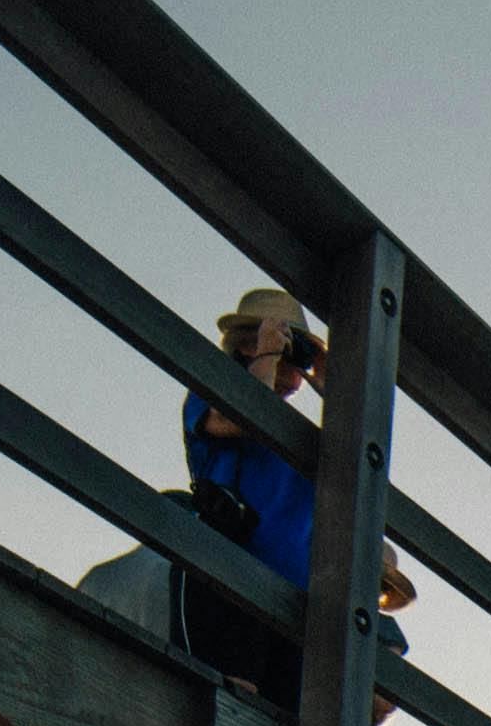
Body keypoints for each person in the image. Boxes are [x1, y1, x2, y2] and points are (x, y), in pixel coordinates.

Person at [175, 287, 412, 695]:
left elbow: (364, 459)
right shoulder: (210, 393)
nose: (292, 364)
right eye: (289, 346)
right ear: (246, 343)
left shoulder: (303, 439)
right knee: (239, 700)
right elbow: (244, 417)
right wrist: (268, 355)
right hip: (235, 574)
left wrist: (328, 379)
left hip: (298, 601)